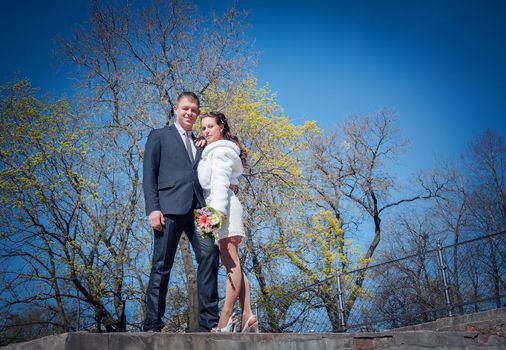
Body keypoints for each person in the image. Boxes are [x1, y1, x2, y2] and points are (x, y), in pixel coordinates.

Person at [142, 92, 220, 332]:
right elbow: (149, 174)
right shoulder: (159, 136)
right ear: (175, 108)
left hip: (200, 209)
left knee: (210, 257)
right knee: (162, 264)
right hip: (169, 208)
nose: (190, 113)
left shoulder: (200, 143)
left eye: (194, 110)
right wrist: (153, 208)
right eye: (186, 108)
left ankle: (209, 324)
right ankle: (153, 323)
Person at [198, 112, 258, 333]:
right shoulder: (214, 150)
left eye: (210, 126)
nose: (206, 131)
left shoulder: (221, 151)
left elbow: (221, 182)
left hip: (221, 207)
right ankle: (247, 314)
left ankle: (225, 319)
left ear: (221, 126)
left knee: (230, 263)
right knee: (232, 264)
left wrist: (217, 213)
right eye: (203, 128)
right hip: (218, 206)